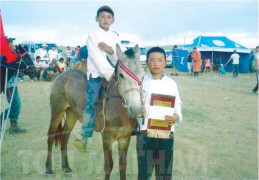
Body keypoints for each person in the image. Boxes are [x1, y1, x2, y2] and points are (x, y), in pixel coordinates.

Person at [73, 5, 121, 152]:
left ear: (113, 20)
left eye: (109, 17)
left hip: (114, 72)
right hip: (97, 75)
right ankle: (85, 136)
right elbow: (95, 57)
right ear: (96, 19)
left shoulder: (115, 36)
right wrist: (110, 74)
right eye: (102, 16)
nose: (105, 19)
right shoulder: (93, 35)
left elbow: (118, 55)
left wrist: (111, 50)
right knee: (91, 101)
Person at [136, 46, 182, 179]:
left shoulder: (171, 83)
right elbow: (130, 104)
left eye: (160, 60)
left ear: (166, 62)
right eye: (152, 60)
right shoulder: (140, 82)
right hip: (145, 132)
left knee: (164, 172)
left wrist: (176, 116)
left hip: (166, 133)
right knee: (144, 172)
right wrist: (139, 109)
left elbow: (177, 104)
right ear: (146, 62)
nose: (156, 63)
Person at [0, 37, 26, 134]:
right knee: (15, 105)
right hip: (8, 85)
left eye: (12, 42)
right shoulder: (3, 56)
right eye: (10, 42)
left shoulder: (14, 53)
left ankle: (13, 126)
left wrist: (20, 72)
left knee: (16, 104)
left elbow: (19, 67)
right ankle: (1, 117)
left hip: (14, 84)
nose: (12, 44)